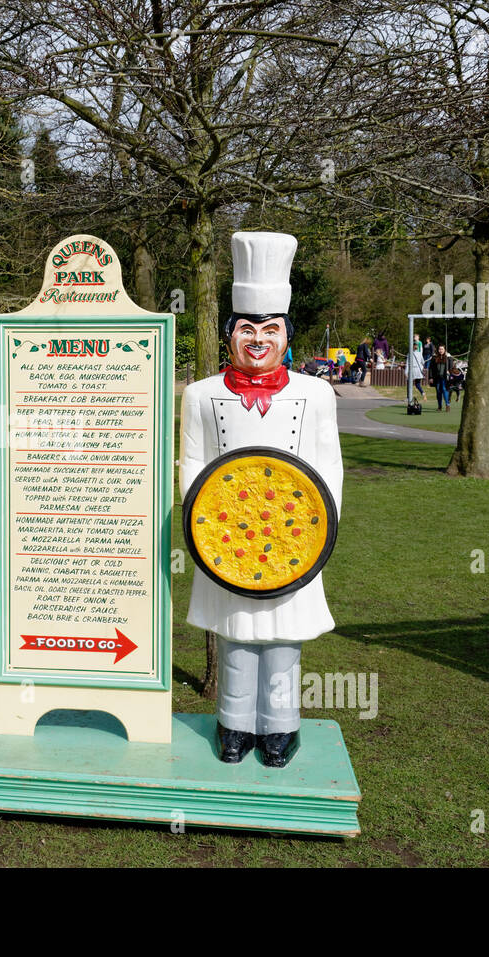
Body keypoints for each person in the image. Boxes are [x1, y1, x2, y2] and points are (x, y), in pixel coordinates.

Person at [180, 231, 343, 768]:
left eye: (269, 328)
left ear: (286, 335)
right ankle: (234, 725)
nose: (257, 339)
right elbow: (192, 468)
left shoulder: (315, 394)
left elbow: (328, 469)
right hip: (227, 542)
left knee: (283, 641)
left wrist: (317, 536)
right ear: (230, 333)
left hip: (294, 543)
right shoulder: (201, 395)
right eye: (247, 328)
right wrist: (204, 537)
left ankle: (280, 728)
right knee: (237, 638)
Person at [426, 345, 451, 411]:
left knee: (444, 389)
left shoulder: (448, 357)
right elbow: (431, 368)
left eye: (442, 349)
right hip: (437, 377)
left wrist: (449, 371)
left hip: (445, 377)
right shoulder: (434, 358)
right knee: (438, 391)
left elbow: (451, 367)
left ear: (444, 350)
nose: (440, 350)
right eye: (439, 349)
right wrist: (430, 377)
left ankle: (447, 405)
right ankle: (439, 406)